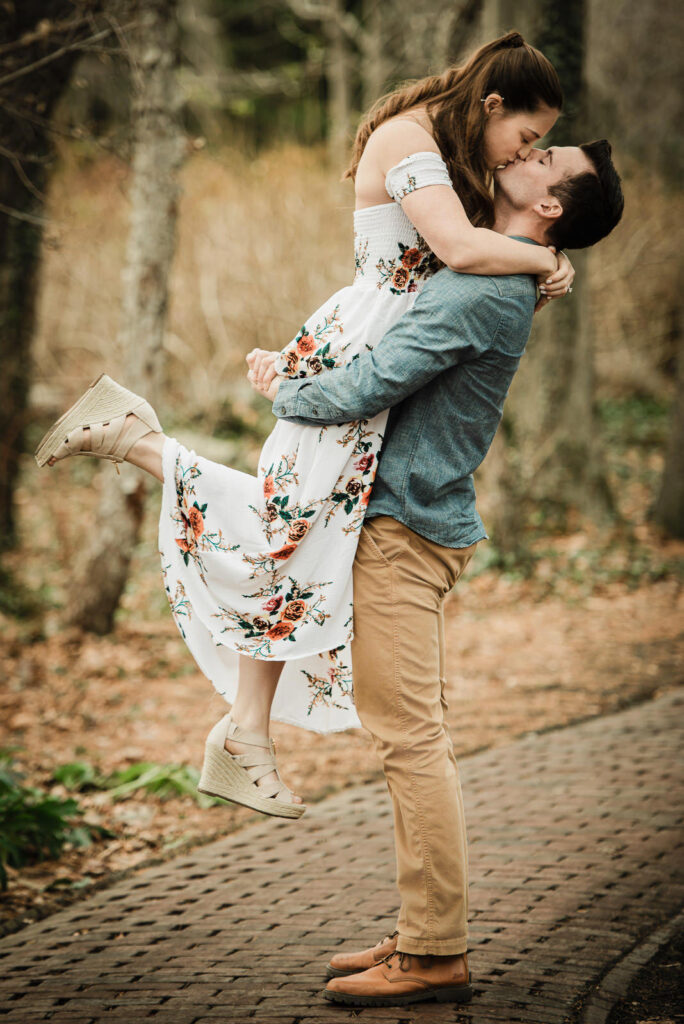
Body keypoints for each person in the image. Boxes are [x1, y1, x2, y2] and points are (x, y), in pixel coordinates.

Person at [35, 32, 574, 821]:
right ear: (493, 104)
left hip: (391, 355)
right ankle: (136, 441)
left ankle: (247, 733)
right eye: (526, 136)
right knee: (286, 527)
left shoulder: (454, 152)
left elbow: (462, 256)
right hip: (362, 353)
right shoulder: (409, 138)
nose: (524, 151)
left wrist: (536, 255)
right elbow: (457, 248)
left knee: (296, 536)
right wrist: (544, 260)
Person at [248, 139, 624, 1006]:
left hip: (403, 532)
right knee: (414, 733)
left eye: (545, 156)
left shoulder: (487, 288)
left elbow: (373, 381)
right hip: (407, 523)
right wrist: (547, 259)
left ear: (553, 204)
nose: (527, 152)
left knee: (410, 738)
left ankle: (432, 953)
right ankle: (425, 929)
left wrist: (280, 388)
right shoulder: (496, 265)